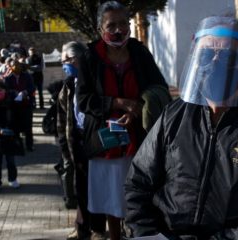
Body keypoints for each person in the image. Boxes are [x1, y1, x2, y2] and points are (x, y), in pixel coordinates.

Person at [124, 16, 238, 239]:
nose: (215, 62)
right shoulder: (173, 116)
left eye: (228, 56)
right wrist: (147, 232)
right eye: (206, 54)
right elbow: (138, 183)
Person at [76, 1, 169, 239]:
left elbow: (158, 87)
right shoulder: (89, 57)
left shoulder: (139, 52)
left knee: (138, 196)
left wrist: (136, 109)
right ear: (100, 29)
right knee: (110, 200)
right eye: (111, 25)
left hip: (138, 140)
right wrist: (118, 103)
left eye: (123, 24)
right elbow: (84, 100)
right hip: (104, 143)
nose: (118, 30)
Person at [57, 41, 107, 240]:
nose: (64, 65)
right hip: (75, 140)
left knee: (98, 185)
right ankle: (82, 227)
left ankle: (98, 229)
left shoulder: (96, 81)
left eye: (65, 61)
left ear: (76, 60)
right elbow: (62, 116)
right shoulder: (69, 85)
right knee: (81, 187)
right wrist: (64, 144)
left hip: (95, 140)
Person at [4, 60, 35, 152]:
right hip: (14, 106)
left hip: (26, 104)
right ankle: (18, 145)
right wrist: (14, 92)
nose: (16, 67)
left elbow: (32, 87)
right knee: (15, 126)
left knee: (28, 126)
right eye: (14, 65)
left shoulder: (27, 76)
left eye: (18, 65)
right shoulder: (8, 78)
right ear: (10, 67)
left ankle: (30, 145)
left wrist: (25, 92)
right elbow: (6, 90)